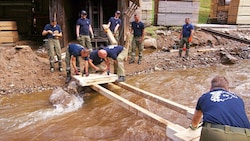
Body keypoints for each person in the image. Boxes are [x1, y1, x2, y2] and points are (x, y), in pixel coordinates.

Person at [190, 76, 250, 141]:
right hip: (245, 135)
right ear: (228, 89)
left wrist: (193, 127)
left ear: (210, 88)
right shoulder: (239, 99)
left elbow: (195, 120)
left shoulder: (205, 96)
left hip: (216, 134)